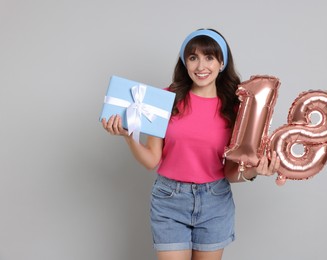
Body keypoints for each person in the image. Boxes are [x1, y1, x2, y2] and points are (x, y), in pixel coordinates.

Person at [102, 28, 280, 260]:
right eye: (193, 57)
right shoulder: (165, 100)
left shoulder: (236, 109)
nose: (200, 66)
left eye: (209, 57)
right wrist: (129, 136)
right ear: (185, 62)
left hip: (215, 201)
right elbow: (151, 160)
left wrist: (255, 169)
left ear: (222, 62)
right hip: (169, 200)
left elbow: (229, 172)